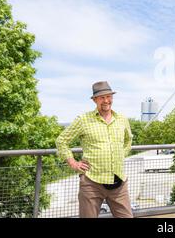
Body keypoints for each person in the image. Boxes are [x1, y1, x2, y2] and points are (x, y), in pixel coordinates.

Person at [56, 81, 133, 218]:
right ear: (94, 100)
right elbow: (61, 141)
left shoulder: (122, 119)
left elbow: (128, 140)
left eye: (108, 96)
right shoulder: (83, 120)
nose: (106, 100)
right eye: (102, 97)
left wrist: (121, 155)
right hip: (92, 183)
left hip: (119, 183)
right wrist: (73, 163)